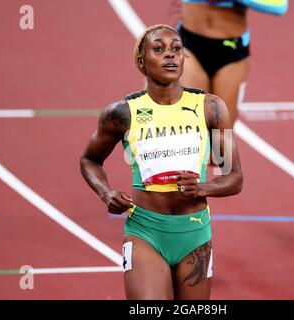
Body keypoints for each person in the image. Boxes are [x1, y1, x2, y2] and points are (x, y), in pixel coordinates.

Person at [80, 24, 243, 300]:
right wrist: (105, 192)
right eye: (159, 49)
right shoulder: (122, 113)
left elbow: (234, 177)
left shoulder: (210, 108)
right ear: (142, 61)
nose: (170, 55)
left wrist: (204, 187)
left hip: (195, 233)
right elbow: (90, 159)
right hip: (145, 232)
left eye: (176, 49)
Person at [178, 0, 288, 127]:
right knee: (189, 124)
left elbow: (279, 6)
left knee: (222, 129)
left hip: (231, 53)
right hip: (190, 46)